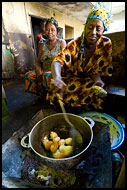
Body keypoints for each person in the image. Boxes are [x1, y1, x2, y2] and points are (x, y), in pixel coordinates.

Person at [46, 8, 113, 110]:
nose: (93, 32)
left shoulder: (106, 44)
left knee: (97, 93)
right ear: (85, 27)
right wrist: (57, 78)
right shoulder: (75, 44)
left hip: (88, 81)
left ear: (104, 29)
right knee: (55, 88)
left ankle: (84, 115)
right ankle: (67, 111)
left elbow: (98, 71)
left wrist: (98, 80)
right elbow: (57, 61)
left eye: (98, 29)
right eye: (90, 27)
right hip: (72, 79)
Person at [24, 17, 66, 98]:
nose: (49, 32)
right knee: (29, 75)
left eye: (52, 30)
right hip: (44, 71)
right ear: (44, 31)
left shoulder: (61, 42)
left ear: (56, 31)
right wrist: (39, 71)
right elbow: (38, 62)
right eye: (47, 29)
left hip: (57, 71)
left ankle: (53, 99)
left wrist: (48, 71)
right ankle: (41, 96)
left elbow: (64, 61)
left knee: (46, 76)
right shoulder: (42, 44)